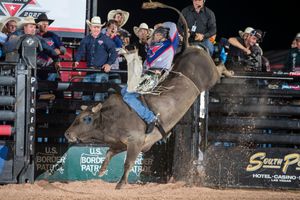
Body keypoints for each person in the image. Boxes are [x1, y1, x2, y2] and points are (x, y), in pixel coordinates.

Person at [121, 22, 179, 134]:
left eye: (158, 35)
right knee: (124, 91)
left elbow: (172, 26)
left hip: (155, 76)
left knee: (128, 96)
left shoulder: (170, 45)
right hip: (146, 74)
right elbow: (146, 62)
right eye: (155, 35)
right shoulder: (152, 47)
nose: (155, 37)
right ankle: (138, 117)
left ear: (163, 36)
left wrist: (162, 24)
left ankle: (150, 118)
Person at [74, 16, 117, 101]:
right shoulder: (86, 40)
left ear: (101, 28)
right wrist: (77, 61)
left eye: (98, 27)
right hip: (89, 71)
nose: (96, 29)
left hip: (101, 71)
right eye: (94, 27)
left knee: (99, 97)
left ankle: (98, 114)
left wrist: (109, 64)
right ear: (90, 27)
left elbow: (113, 53)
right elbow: (80, 51)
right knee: (86, 96)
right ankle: (87, 114)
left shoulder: (106, 39)